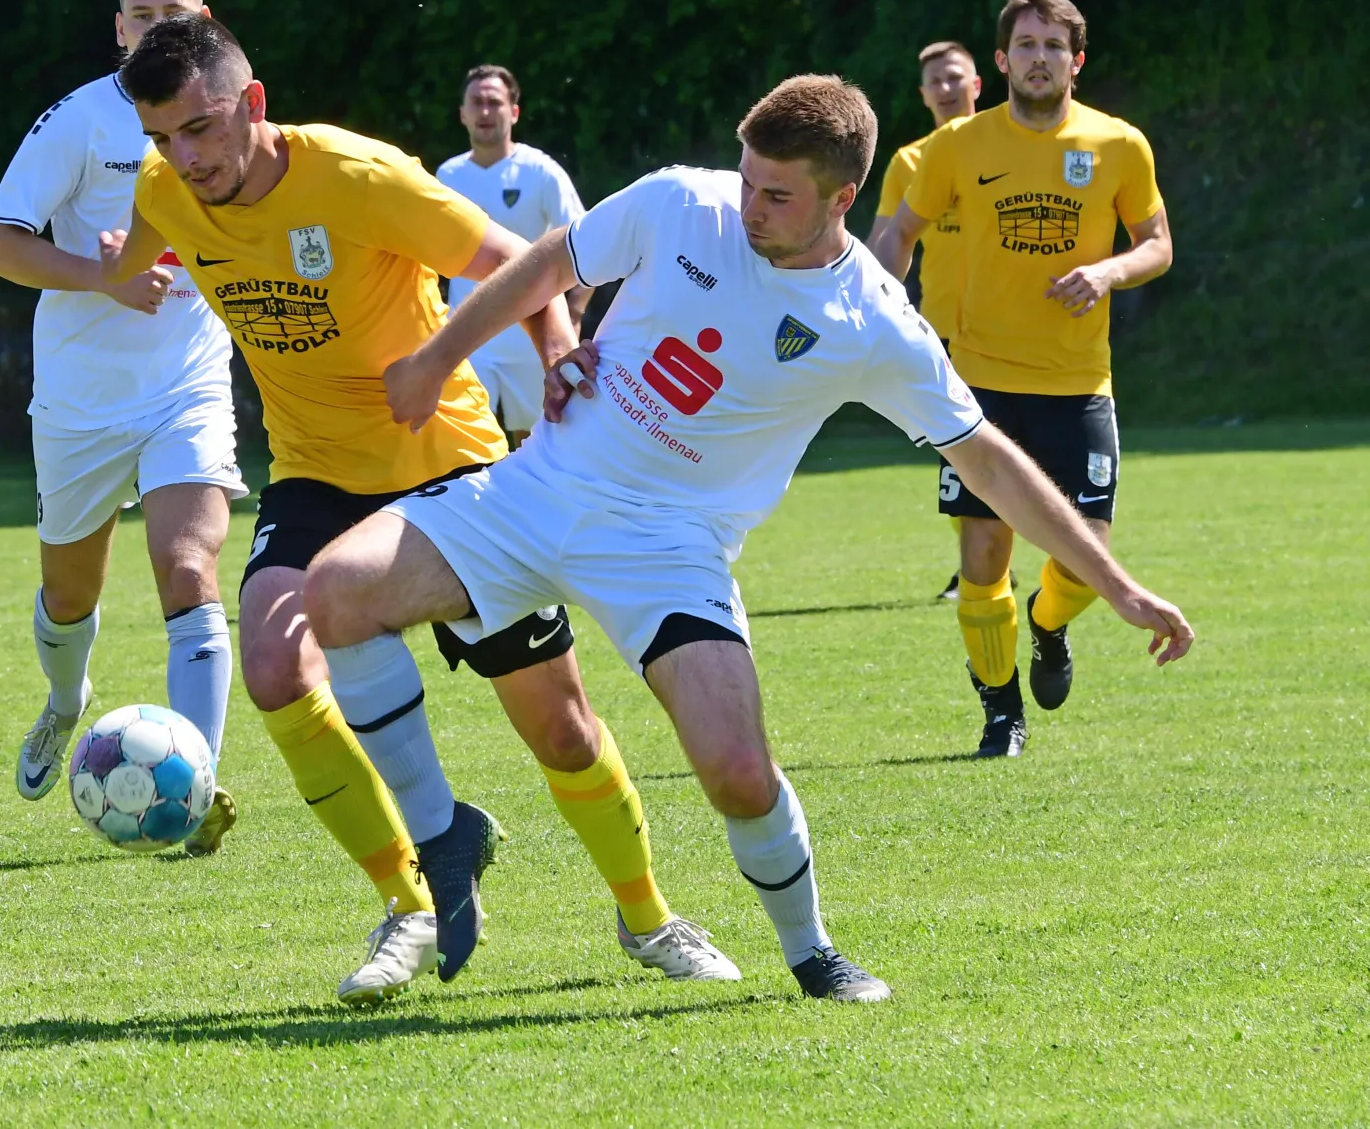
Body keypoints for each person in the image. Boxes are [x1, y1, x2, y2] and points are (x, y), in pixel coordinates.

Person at [303, 74, 1194, 1002]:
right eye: (747, 179)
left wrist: (1120, 587)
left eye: (778, 195)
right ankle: (442, 832)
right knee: (335, 594)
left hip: (670, 547)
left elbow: (991, 464)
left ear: (842, 198)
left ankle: (812, 953)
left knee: (736, 770)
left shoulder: (872, 322)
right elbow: (548, 265)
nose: (750, 206)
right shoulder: (679, 200)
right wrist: (440, 356)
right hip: (539, 490)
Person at [102, 12, 736, 1005]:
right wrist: (118, 265)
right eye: (161, 139)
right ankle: (411, 896)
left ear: (252, 105)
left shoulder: (359, 179)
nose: (184, 158)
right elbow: (141, 246)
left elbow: (525, 267)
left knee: (559, 729)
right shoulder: (163, 191)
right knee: (274, 660)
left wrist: (559, 356)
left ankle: (649, 918)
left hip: (449, 466)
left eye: (201, 128)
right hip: (314, 471)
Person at [0, 0, 241, 853]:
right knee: (68, 593)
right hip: (82, 401)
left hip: (188, 384)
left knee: (189, 566)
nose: (160, 24)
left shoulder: (233, 113)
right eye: (142, 13)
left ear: (205, 17)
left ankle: (196, 787)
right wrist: (104, 273)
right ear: (118, 28)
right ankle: (65, 702)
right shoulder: (80, 122)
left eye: (178, 9)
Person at [872, 0, 1175, 757]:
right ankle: (1001, 716)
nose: (1039, 59)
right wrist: (880, 310)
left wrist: (1108, 274)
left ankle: (1046, 621)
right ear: (1001, 61)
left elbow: (1157, 243)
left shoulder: (1118, 145)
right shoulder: (955, 147)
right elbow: (897, 234)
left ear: (1076, 61)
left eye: (1053, 47)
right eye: (1026, 45)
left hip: (1078, 382)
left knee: (1088, 550)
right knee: (982, 555)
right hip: (978, 384)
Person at [866, 41, 985, 599]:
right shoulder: (910, 162)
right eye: (934, 80)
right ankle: (980, 568)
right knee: (956, 456)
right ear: (922, 95)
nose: (945, 88)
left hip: (1010, 329)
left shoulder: (1005, 150)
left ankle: (989, 565)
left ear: (978, 84)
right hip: (941, 330)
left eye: (954, 77)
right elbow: (883, 243)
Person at [435, 65, 590, 445]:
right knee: (466, 446)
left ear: (514, 112)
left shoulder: (540, 172)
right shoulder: (447, 176)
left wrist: (573, 314)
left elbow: (585, 243)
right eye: (477, 103)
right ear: (463, 114)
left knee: (534, 441)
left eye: (495, 102)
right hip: (468, 334)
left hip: (531, 337)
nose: (485, 112)